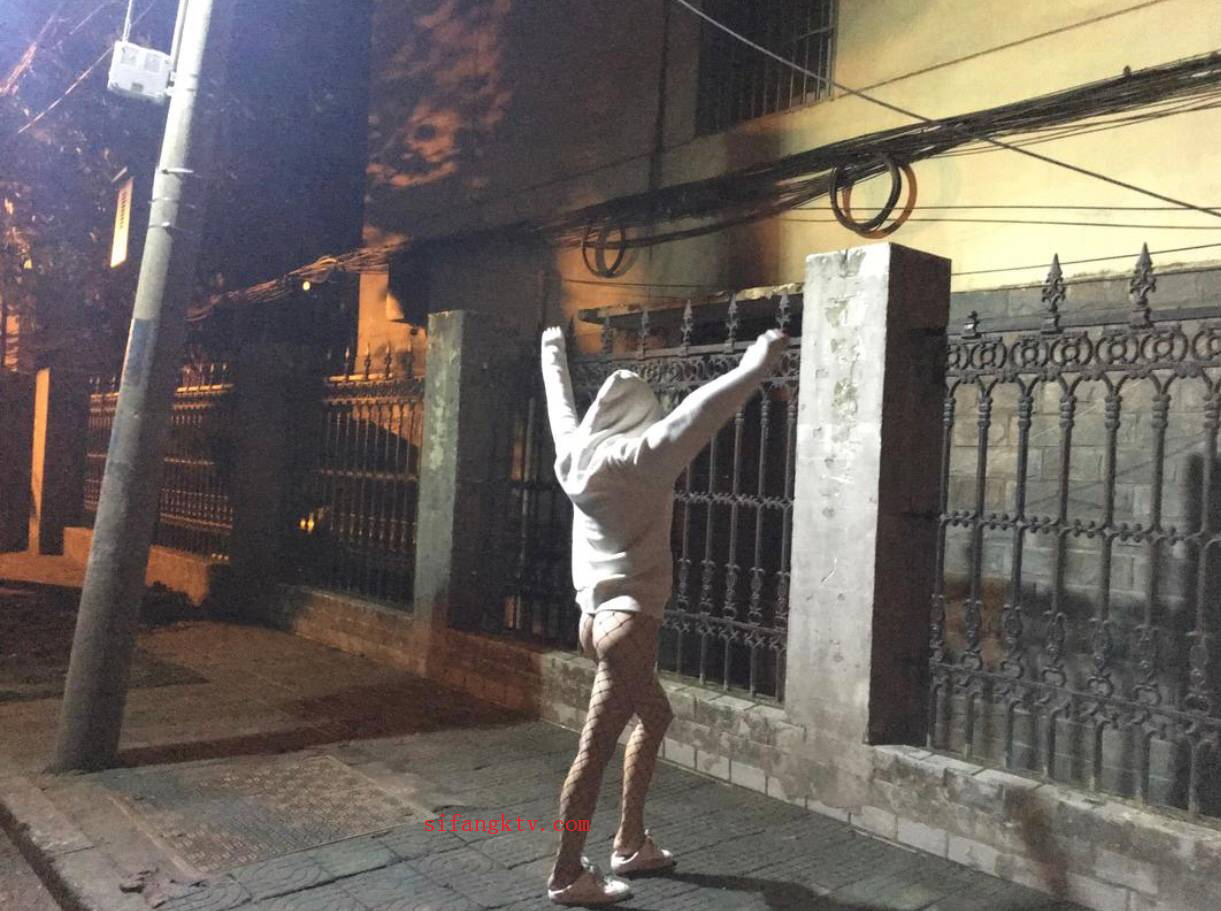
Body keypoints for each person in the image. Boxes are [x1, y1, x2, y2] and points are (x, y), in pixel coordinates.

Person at [540, 324, 789, 906]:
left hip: (593, 618)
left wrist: (552, 351)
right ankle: (566, 872)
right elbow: (700, 413)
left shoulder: (574, 454)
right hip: (629, 619)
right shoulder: (638, 458)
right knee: (593, 752)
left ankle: (630, 842)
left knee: (656, 716)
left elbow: (560, 404)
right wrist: (755, 366)